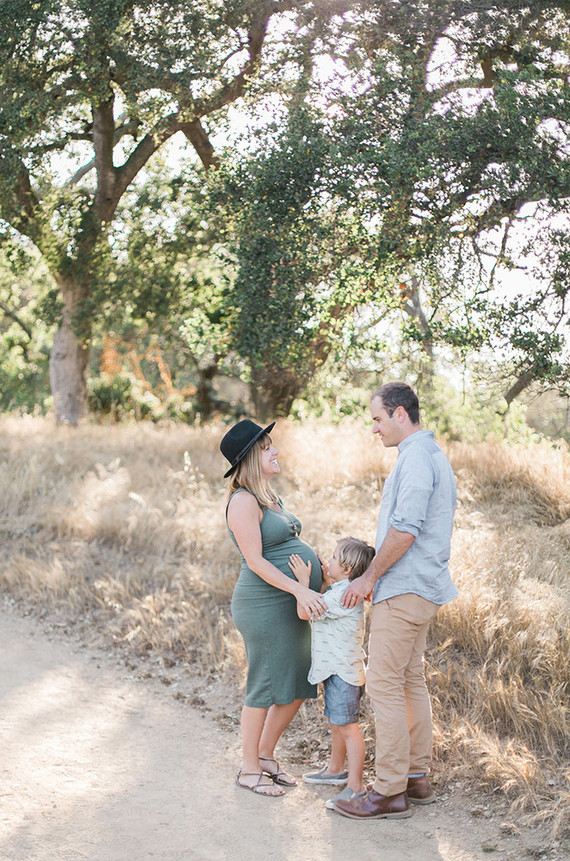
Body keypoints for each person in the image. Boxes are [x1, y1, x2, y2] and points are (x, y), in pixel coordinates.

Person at [334, 382, 458, 820]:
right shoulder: (428, 455)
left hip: (404, 589)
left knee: (385, 683)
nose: (374, 428)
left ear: (400, 414)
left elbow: (405, 530)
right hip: (421, 587)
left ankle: (387, 791)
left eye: (377, 419)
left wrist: (368, 578)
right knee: (409, 680)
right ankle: (414, 778)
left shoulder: (417, 459)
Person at [221, 419, 327, 798]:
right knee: (264, 684)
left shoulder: (269, 496)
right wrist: (301, 591)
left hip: (291, 601)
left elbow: (285, 548)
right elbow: (256, 561)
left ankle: (265, 755)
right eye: (267, 447)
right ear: (250, 457)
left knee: (300, 678)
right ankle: (249, 769)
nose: (275, 451)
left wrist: (320, 575)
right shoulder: (243, 501)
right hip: (264, 604)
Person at [288, 537, 375, 810]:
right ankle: (336, 769)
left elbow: (305, 611)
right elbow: (325, 598)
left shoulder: (343, 597)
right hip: (337, 669)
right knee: (338, 724)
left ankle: (356, 787)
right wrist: (325, 578)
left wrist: (303, 582)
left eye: (335, 558)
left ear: (348, 569)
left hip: (343, 672)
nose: (330, 560)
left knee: (348, 729)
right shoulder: (340, 589)